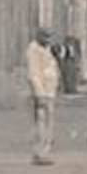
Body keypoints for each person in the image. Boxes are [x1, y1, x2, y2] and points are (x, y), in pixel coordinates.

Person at [26, 28, 59, 166]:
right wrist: (39, 93)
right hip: (42, 92)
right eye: (45, 37)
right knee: (41, 122)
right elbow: (34, 73)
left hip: (50, 90)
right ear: (38, 36)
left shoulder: (46, 49)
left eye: (49, 37)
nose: (47, 40)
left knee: (48, 121)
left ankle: (45, 152)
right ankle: (39, 153)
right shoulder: (33, 50)